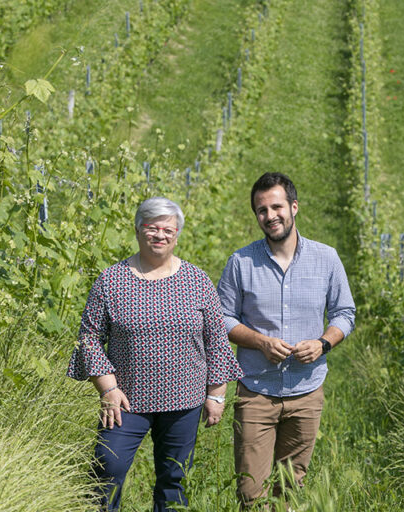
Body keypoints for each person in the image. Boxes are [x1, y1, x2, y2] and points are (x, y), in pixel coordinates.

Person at [67, 197, 244, 512]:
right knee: (107, 469)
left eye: (168, 230)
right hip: (126, 401)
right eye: (152, 228)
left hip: (184, 400)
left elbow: (216, 337)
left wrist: (216, 393)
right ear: (137, 230)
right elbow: (90, 337)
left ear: (177, 235)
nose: (160, 235)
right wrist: (107, 388)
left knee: (174, 478)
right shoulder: (111, 280)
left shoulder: (197, 280)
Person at [217, 172, 356, 507]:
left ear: (294, 207)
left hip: (306, 393)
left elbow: (344, 314)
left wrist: (323, 343)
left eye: (276, 207)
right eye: (262, 210)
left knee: (291, 489)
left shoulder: (326, 258)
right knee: (251, 493)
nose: (270, 216)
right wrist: (261, 342)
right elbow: (222, 320)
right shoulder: (241, 262)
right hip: (256, 392)